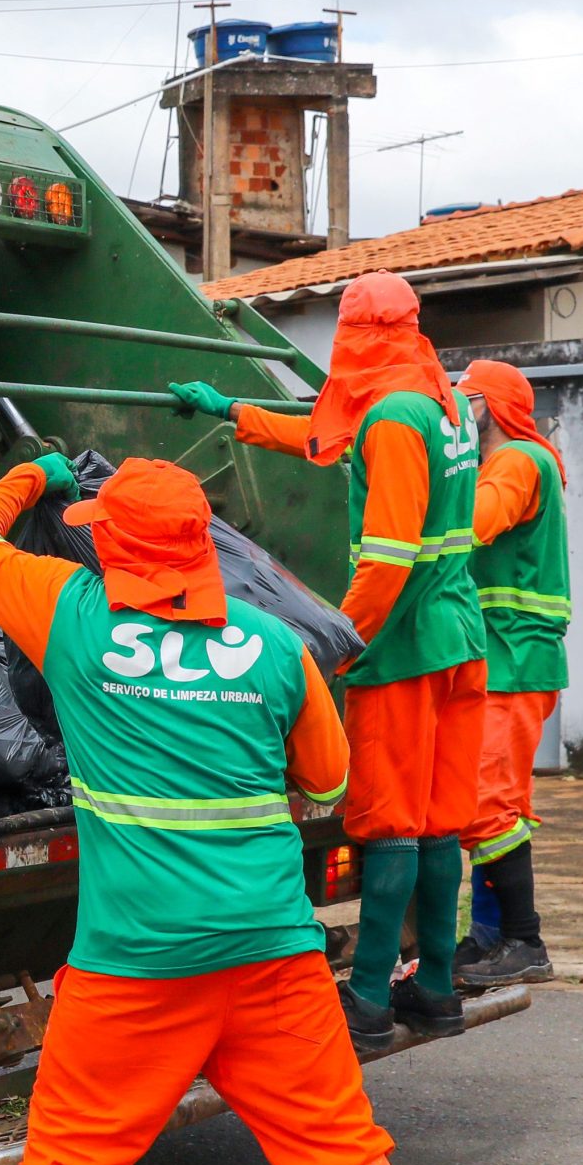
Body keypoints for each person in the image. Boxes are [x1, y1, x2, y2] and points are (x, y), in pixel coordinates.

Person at [0, 452, 456, 1165]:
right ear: (203, 544)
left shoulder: (70, 613)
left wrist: (32, 476)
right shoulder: (273, 645)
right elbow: (329, 781)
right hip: (271, 951)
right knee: (348, 1145)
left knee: (65, 1149)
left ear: (111, 547)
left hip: (136, 960)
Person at [170, 271, 486, 1056]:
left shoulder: (395, 418)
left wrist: (342, 646)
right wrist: (234, 413)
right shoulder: (438, 399)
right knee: (437, 819)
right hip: (458, 637)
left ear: (357, 335)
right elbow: (327, 436)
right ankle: (435, 986)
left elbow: (388, 557)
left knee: (389, 821)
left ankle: (370, 998)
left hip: (405, 645)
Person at [450, 359, 569, 990]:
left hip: (514, 657)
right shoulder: (510, 461)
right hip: (509, 656)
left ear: (488, 408)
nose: (455, 410)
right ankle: (489, 937)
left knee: (485, 803)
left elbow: (473, 524)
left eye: (464, 400)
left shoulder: (517, 461)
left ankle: (525, 941)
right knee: (499, 804)